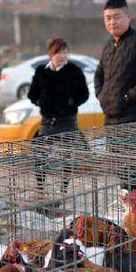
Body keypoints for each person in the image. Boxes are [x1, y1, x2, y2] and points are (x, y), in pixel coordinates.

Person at [94, 0, 136, 190]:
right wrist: (102, 96)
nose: (112, 22)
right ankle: (132, 210)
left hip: (134, 117)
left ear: (128, 17)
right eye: (107, 18)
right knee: (118, 168)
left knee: (130, 168)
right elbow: (99, 74)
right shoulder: (109, 46)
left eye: (116, 17)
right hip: (111, 117)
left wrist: (127, 97)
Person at [28, 36, 89, 198]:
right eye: (59, 53)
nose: (62, 56)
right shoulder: (41, 71)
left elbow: (84, 94)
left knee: (66, 157)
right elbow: (32, 93)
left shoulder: (74, 71)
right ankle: (40, 188)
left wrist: (71, 102)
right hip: (47, 121)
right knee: (40, 155)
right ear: (50, 54)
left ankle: (63, 189)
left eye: (65, 52)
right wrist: (40, 101)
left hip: (67, 121)